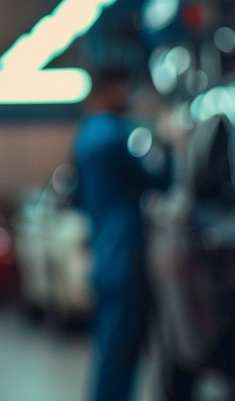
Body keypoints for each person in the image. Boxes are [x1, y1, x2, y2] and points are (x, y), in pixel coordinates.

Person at [72, 66, 169, 401]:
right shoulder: (114, 137)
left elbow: (80, 198)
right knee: (122, 346)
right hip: (125, 253)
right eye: (126, 88)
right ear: (110, 89)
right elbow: (157, 180)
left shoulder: (86, 135)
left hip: (104, 251)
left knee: (110, 343)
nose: (129, 97)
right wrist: (170, 143)